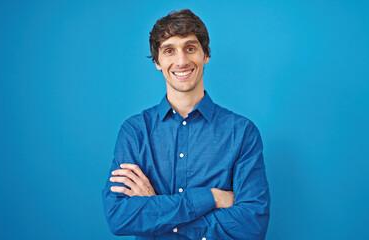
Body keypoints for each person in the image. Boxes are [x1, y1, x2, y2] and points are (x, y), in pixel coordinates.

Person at [102, 9, 270, 240]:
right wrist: (211, 198)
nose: (181, 61)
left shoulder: (242, 133)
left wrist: (156, 208)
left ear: (206, 54)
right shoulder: (135, 132)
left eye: (190, 48)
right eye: (169, 50)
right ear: (157, 62)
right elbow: (119, 216)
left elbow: (252, 226)